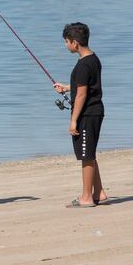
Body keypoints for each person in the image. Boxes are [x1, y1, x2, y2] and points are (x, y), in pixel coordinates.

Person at [53, 22, 107, 208]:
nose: (66, 45)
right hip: (95, 111)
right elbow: (84, 88)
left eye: (66, 42)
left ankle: (86, 197)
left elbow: (83, 94)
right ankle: (98, 192)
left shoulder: (83, 65)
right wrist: (68, 88)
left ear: (75, 43)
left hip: (87, 114)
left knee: (86, 155)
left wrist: (74, 121)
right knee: (89, 153)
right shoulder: (93, 59)